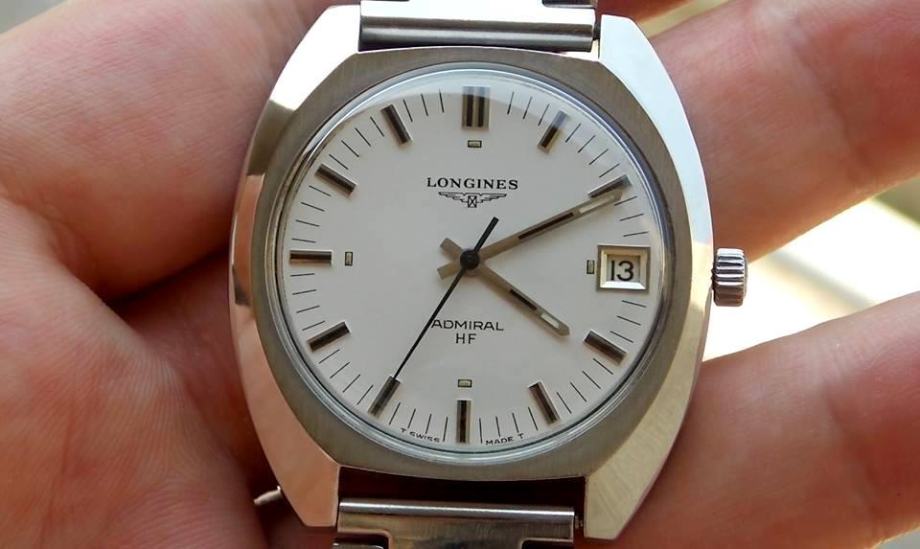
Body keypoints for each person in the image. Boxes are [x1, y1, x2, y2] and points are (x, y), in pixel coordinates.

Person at [0, 0, 917, 546]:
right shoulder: (357, 43)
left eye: (474, 259)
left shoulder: (368, 45)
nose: (468, 264)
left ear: (710, 275)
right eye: (468, 259)